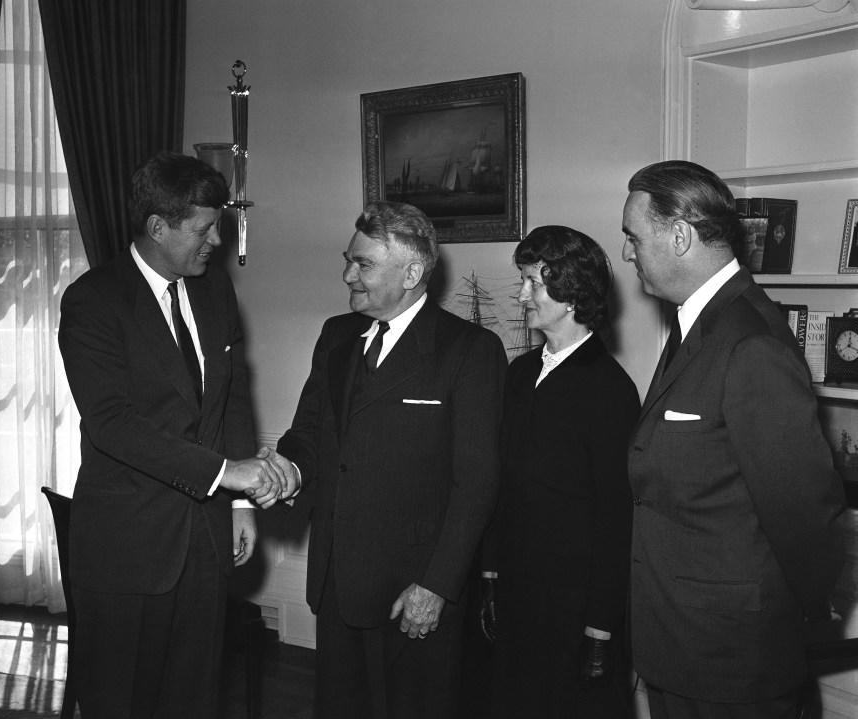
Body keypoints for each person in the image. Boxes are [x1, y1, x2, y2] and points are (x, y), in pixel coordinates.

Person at [58, 152, 294, 718]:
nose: (216, 240)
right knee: (121, 702)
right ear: (157, 227)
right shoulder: (93, 301)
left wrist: (237, 501)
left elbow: (232, 396)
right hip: (126, 548)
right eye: (204, 228)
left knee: (192, 701)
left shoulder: (214, 293)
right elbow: (111, 423)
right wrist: (223, 473)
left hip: (205, 544)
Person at [621, 159, 846, 718]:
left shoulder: (749, 343)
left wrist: (800, 619)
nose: (627, 253)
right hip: (681, 644)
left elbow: (806, 515)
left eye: (632, 237)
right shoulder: (697, 324)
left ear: (679, 236)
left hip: (734, 660)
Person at [276, 200, 508, 719]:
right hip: (337, 583)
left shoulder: (469, 350)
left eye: (363, 265)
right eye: (348, 259)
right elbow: (309, 431)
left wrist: (437, 585)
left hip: (413, 593)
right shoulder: (336, 336)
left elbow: (477, 481)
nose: (347, 275)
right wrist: (287, 469)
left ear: (412, 272)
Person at [479, 226, 639, 718]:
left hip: (574, 609)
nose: (523, 295)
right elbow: (499, 483)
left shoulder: (609, 390)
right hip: (515, 595)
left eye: (534, 282)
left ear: (571, 293)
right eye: (523, 280)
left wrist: (600, 624)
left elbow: (617, 516)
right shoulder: (519, 374)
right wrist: (489, 571)